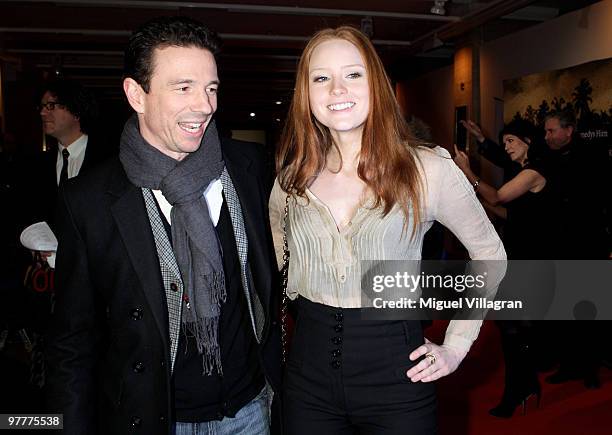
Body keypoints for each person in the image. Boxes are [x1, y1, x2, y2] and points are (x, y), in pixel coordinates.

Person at [44, 16, 280, 435]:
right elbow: (72, 343)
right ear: (137, 94)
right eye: (183, 87)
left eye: (211, 88)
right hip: (155, 418)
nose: (205, 105)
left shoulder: (248, 168)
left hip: (251, 411)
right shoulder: (90, 200)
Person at [269, 26, 506, 434]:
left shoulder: (428, 169)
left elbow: (490, 254)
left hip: (397, 370)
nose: (337, 89)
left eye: (353, 74)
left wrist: (455, 345)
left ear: (375, 84)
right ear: (305, 94)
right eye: (321, 77)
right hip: (307, 373)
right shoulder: (291, 177)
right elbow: (280, 249)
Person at [454, 119, 552, 417]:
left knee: (515, 330)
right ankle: (526, 385)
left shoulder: (536, 171)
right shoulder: (520, 171)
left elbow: (498, 196)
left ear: (527, 141)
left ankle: (517, 390)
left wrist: (468, 173)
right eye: (505, 141)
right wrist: (477, 203)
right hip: (517, 258)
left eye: (510, 141)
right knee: (511, 329)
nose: (505, 147)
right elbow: (507, 212)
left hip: (533, 262)